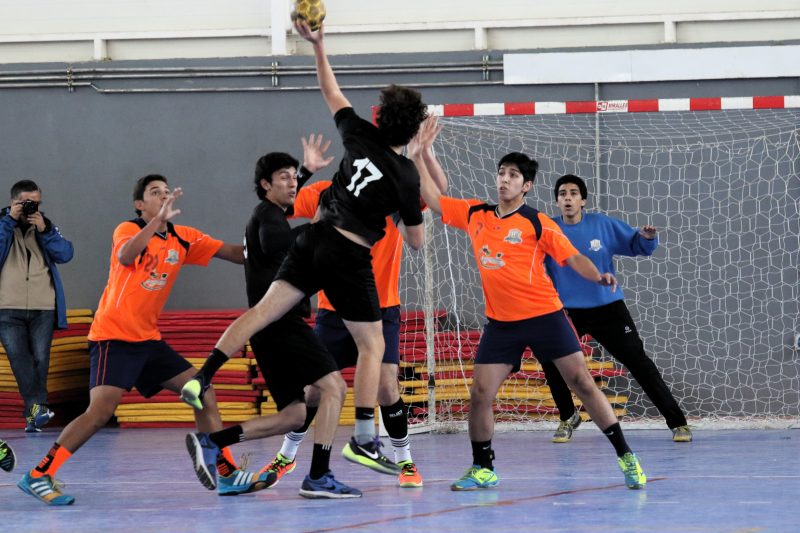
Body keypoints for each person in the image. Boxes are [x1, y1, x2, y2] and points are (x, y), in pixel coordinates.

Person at [181, 19, 431, 479]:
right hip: (347, 253)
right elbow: (415, 241)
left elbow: (330, 90)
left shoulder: (358, 133)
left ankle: (203, 376)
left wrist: (318, 44)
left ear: (379, 117)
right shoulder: (405, 176)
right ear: (414, 130)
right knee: (373, 344)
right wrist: (411, 198)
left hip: (312, 239)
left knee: (263, 311)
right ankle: (363, 438)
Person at [413, 117, 647, 490]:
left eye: (513, 175)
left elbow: (573, 258)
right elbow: (434, 200)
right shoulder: (476, 214)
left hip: (545, 317)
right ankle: (483, 468)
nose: (504, 179)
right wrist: (420, 153)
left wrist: (597, 276)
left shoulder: (538, 223)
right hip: (501, 324)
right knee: (480, 394)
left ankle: (626, 456)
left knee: (583, 383)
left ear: (526, 185)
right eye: (501, 173)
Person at [17, 175, 264, 506]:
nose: (163, 195)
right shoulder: (127, 230)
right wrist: (157, 222)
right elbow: (125, 256)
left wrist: (270, 237)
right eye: (154, 192)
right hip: (113, 336)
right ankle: (39, 474)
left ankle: (227, 472)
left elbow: (235, 253)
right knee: (99, 412)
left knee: (202, 391)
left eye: (166, 191)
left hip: (148, 341)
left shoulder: (182, 237)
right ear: (139, 204)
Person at [261, 141, 448, 488]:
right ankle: (287, 455)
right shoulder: (323, 192)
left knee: (387, 386)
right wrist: (305, 171)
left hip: (381, 308)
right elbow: (279, 207)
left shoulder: (393, 195)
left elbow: (437, 192)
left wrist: (424, 152)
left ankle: (404, 461)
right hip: (334, 310)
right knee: (313, 390)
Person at [184, 137, 362, 499]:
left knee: (295, 415)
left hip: (268, 332)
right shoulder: (266, 215)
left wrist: (306, 170)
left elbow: (285, 214)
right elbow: (276, 243)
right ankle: (319, 476)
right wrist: (318, 228)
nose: (293, 183)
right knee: (334, 388)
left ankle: (213, 443)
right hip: (282, 324)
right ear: (265, 184)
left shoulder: (270, 213)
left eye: (295, 177)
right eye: (285, 177)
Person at [543, 174, 691, 443]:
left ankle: (678, 423)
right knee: (551, 360)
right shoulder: (548, 230)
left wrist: (647, 238)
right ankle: (568, 417)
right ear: (556, 201)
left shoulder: (603, 224)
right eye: (562, 193)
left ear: (583, 200)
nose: (568, 198)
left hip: (607, 309)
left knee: (639, 363)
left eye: (574, 193)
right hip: (566, 312)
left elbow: (637, 245)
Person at [0, 180, 74, 432]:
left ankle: (35, 415)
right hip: (7, 306)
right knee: (19, 358)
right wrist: (9, 221)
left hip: (44, 306)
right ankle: (37, 410)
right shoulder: (2, 224)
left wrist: (46, 230)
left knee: (41, 360)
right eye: (26, 203)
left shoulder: (45, 226)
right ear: (13, 202)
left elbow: (65, 254)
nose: (31, 207)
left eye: (36, 203)